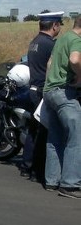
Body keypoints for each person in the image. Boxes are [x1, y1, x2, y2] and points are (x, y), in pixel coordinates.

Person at [41, 14, 81, 198]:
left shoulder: (63, 38)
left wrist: (49, 84)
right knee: (76, 136)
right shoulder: (76, 40)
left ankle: (52, 180)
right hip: (65, 93)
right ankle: (70, 184)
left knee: (55, 137)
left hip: (50, 91)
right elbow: (74, 60)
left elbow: (50, 63)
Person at [20, 12, 63, 181]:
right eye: (59, 25)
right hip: (41, 91)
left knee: (33, 130)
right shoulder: (50, 44)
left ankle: (27, 166)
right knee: (44, 133)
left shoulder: (35, 42)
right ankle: (37, 171)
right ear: (54, 26)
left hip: (32, 89)